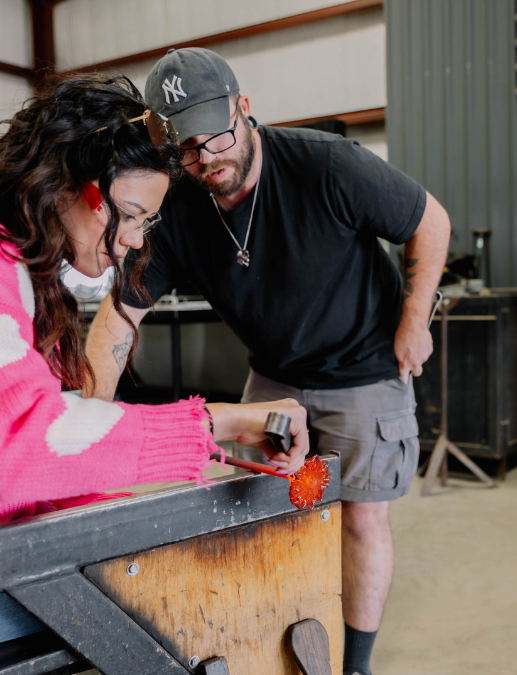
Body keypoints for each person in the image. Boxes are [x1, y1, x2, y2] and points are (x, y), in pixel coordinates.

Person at [83, 49, 450, 675]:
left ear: (243, 108)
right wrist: (89, 422)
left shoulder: (327, 165)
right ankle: (272, 641)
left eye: (217, 136)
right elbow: (119, 314)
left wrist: (415, 324)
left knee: (360, 516)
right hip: (275, 373)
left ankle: (354, 666)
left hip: (364, 364)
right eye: (188, 149)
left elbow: (429, 220)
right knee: (252, 507)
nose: (208, 158)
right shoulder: (178, 206)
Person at [0, 74, 309, 640]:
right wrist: (212, 424)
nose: (138, 240)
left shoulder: (28, 274)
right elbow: (22, 443)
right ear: (82, 189)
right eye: (133, 214)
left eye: (149, 221)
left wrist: (132, 516)